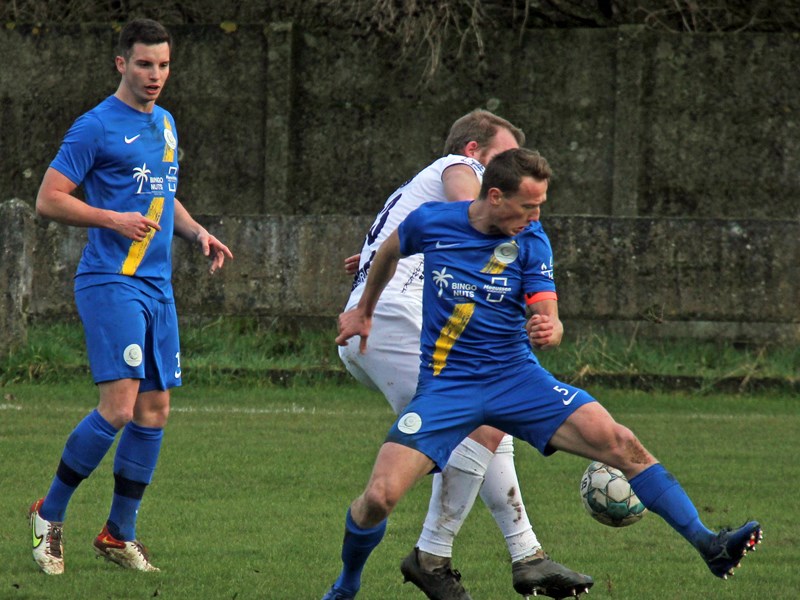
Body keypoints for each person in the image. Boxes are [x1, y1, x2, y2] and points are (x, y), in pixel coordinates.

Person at [323, 148, 762, 599]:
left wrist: (551, 327)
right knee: (379, 498)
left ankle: (710, 544)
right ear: (494, 196)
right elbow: (390, 249)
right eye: (528, 205)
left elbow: (546, 309)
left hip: (517, 380)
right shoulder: (433, 222)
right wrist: (363, 311)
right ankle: (346, 586)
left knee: (622, 442)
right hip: (447, 387)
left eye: (540, 205)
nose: (536, 215)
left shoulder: (532, 241)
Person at [338, 109, 591, 599]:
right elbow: (470, 227)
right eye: (500, 159)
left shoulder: (427, 190)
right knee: (482, 412)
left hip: (391, 319)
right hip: (394, 320)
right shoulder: (460, 168)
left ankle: (527, 556)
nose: (509, 170)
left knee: (490, 421)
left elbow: (409, 238)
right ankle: (434, 557)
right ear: (474, 153)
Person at [29, 18, 233, 575]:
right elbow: (49, 199)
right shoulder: (94, 126)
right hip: (110, 280)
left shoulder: (166, 124)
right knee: (119, 407)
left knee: (154, 409)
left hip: (156, 287)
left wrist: (196, 232)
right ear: (122, 63)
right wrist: (110, 219)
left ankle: (119, 533)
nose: (155, 75)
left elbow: (164, 194)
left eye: (163, 65)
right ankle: (49, 514)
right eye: (145, 64)